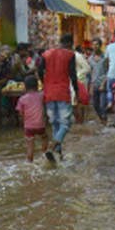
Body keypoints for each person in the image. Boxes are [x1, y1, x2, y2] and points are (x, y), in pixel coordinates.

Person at [38, 33, 79, 161]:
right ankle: (53, 145)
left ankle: (58, 156)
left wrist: (44, 82)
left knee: (55, 124)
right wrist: (77, 92)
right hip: (62, 93)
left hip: (49, 93)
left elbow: (39, 70)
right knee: (67, 123)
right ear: (69, 43)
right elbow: (73, 75)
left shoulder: (46, 54)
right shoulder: (70, 55)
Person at [15, 75, 49, 162]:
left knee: (30, 146)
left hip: (28, 126)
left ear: (25, 87)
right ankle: (44, 154)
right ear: (37, 86)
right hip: (40, 125)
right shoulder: (41, 95)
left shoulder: (22, 99)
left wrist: (23, 123)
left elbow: (20, 113)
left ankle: (30, 162)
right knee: (45, 138)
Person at [88, 37, 108, 124]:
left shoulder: (105, 57)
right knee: (95, 106)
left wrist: (103, 84)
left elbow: (108, 71)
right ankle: (103, 120)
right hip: (95, 84)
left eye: (97, 44)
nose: (95, 46)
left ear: (100, 46)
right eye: (93, 45)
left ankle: (104, 121)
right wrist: (91, 86)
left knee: (102, 105)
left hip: (103, 84)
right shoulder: (90, 59)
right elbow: (91, 72)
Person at [73, 45, 91, 123]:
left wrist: (78, 75)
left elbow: (87, 68)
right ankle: (79, 121)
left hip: (80, 81)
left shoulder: (77, 56)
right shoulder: (70, 56)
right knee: (74, 103)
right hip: (73, 81)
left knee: (80, 102)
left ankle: (81, 121)